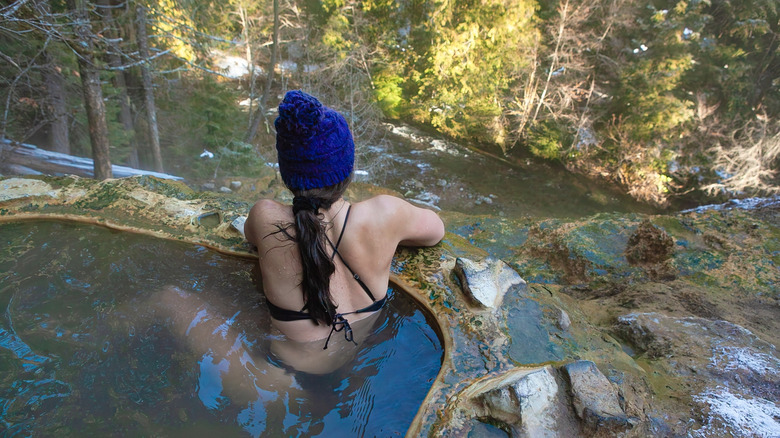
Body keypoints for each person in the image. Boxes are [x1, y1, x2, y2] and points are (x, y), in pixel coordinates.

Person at [245, 90, 444, 370]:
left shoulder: (265, 217)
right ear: (348, 169)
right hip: (356, 368)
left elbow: (252, 239)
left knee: (169, 298)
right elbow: (436, 231)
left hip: (277, 374)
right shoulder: (386, 215)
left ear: (286, 173)